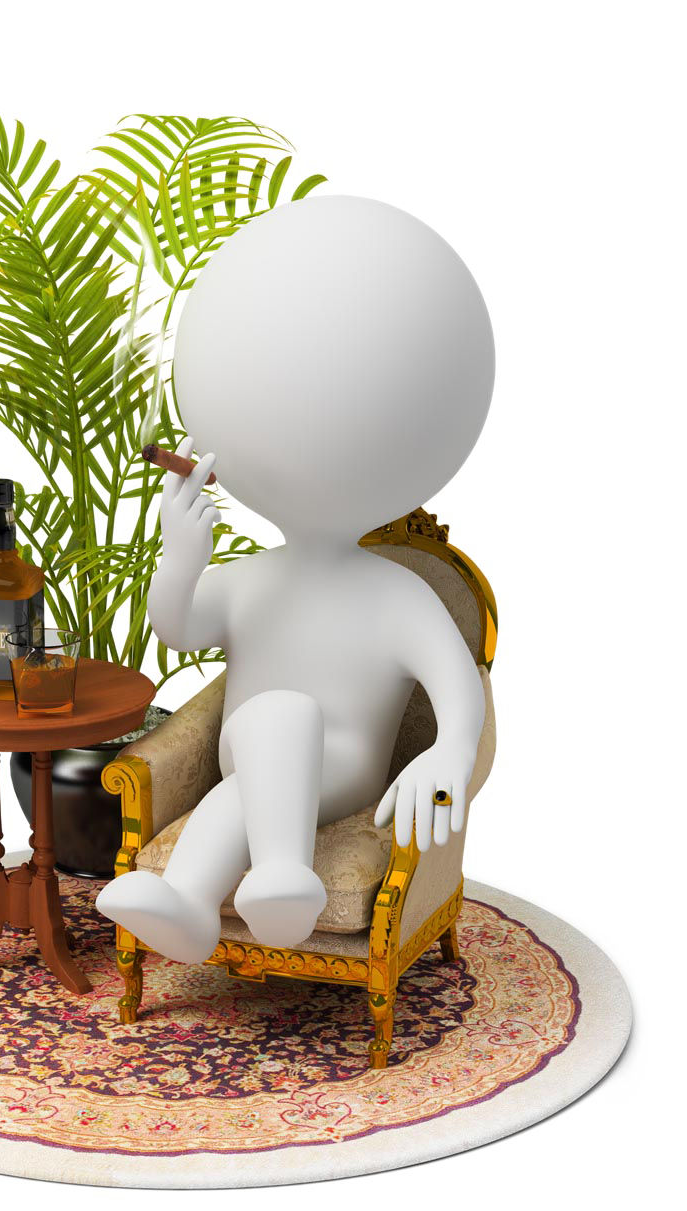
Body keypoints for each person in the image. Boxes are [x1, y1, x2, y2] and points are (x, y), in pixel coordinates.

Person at [97, 195, 494, 964]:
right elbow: (176, 628)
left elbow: (461, 681)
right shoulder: (253, 579)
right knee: (245, 773)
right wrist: (180, 556)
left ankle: (282, 873)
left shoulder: (397, 594)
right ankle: (192, 901)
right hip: (249, 761)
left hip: (342, 768)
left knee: (277, 715)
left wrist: (451, 747)